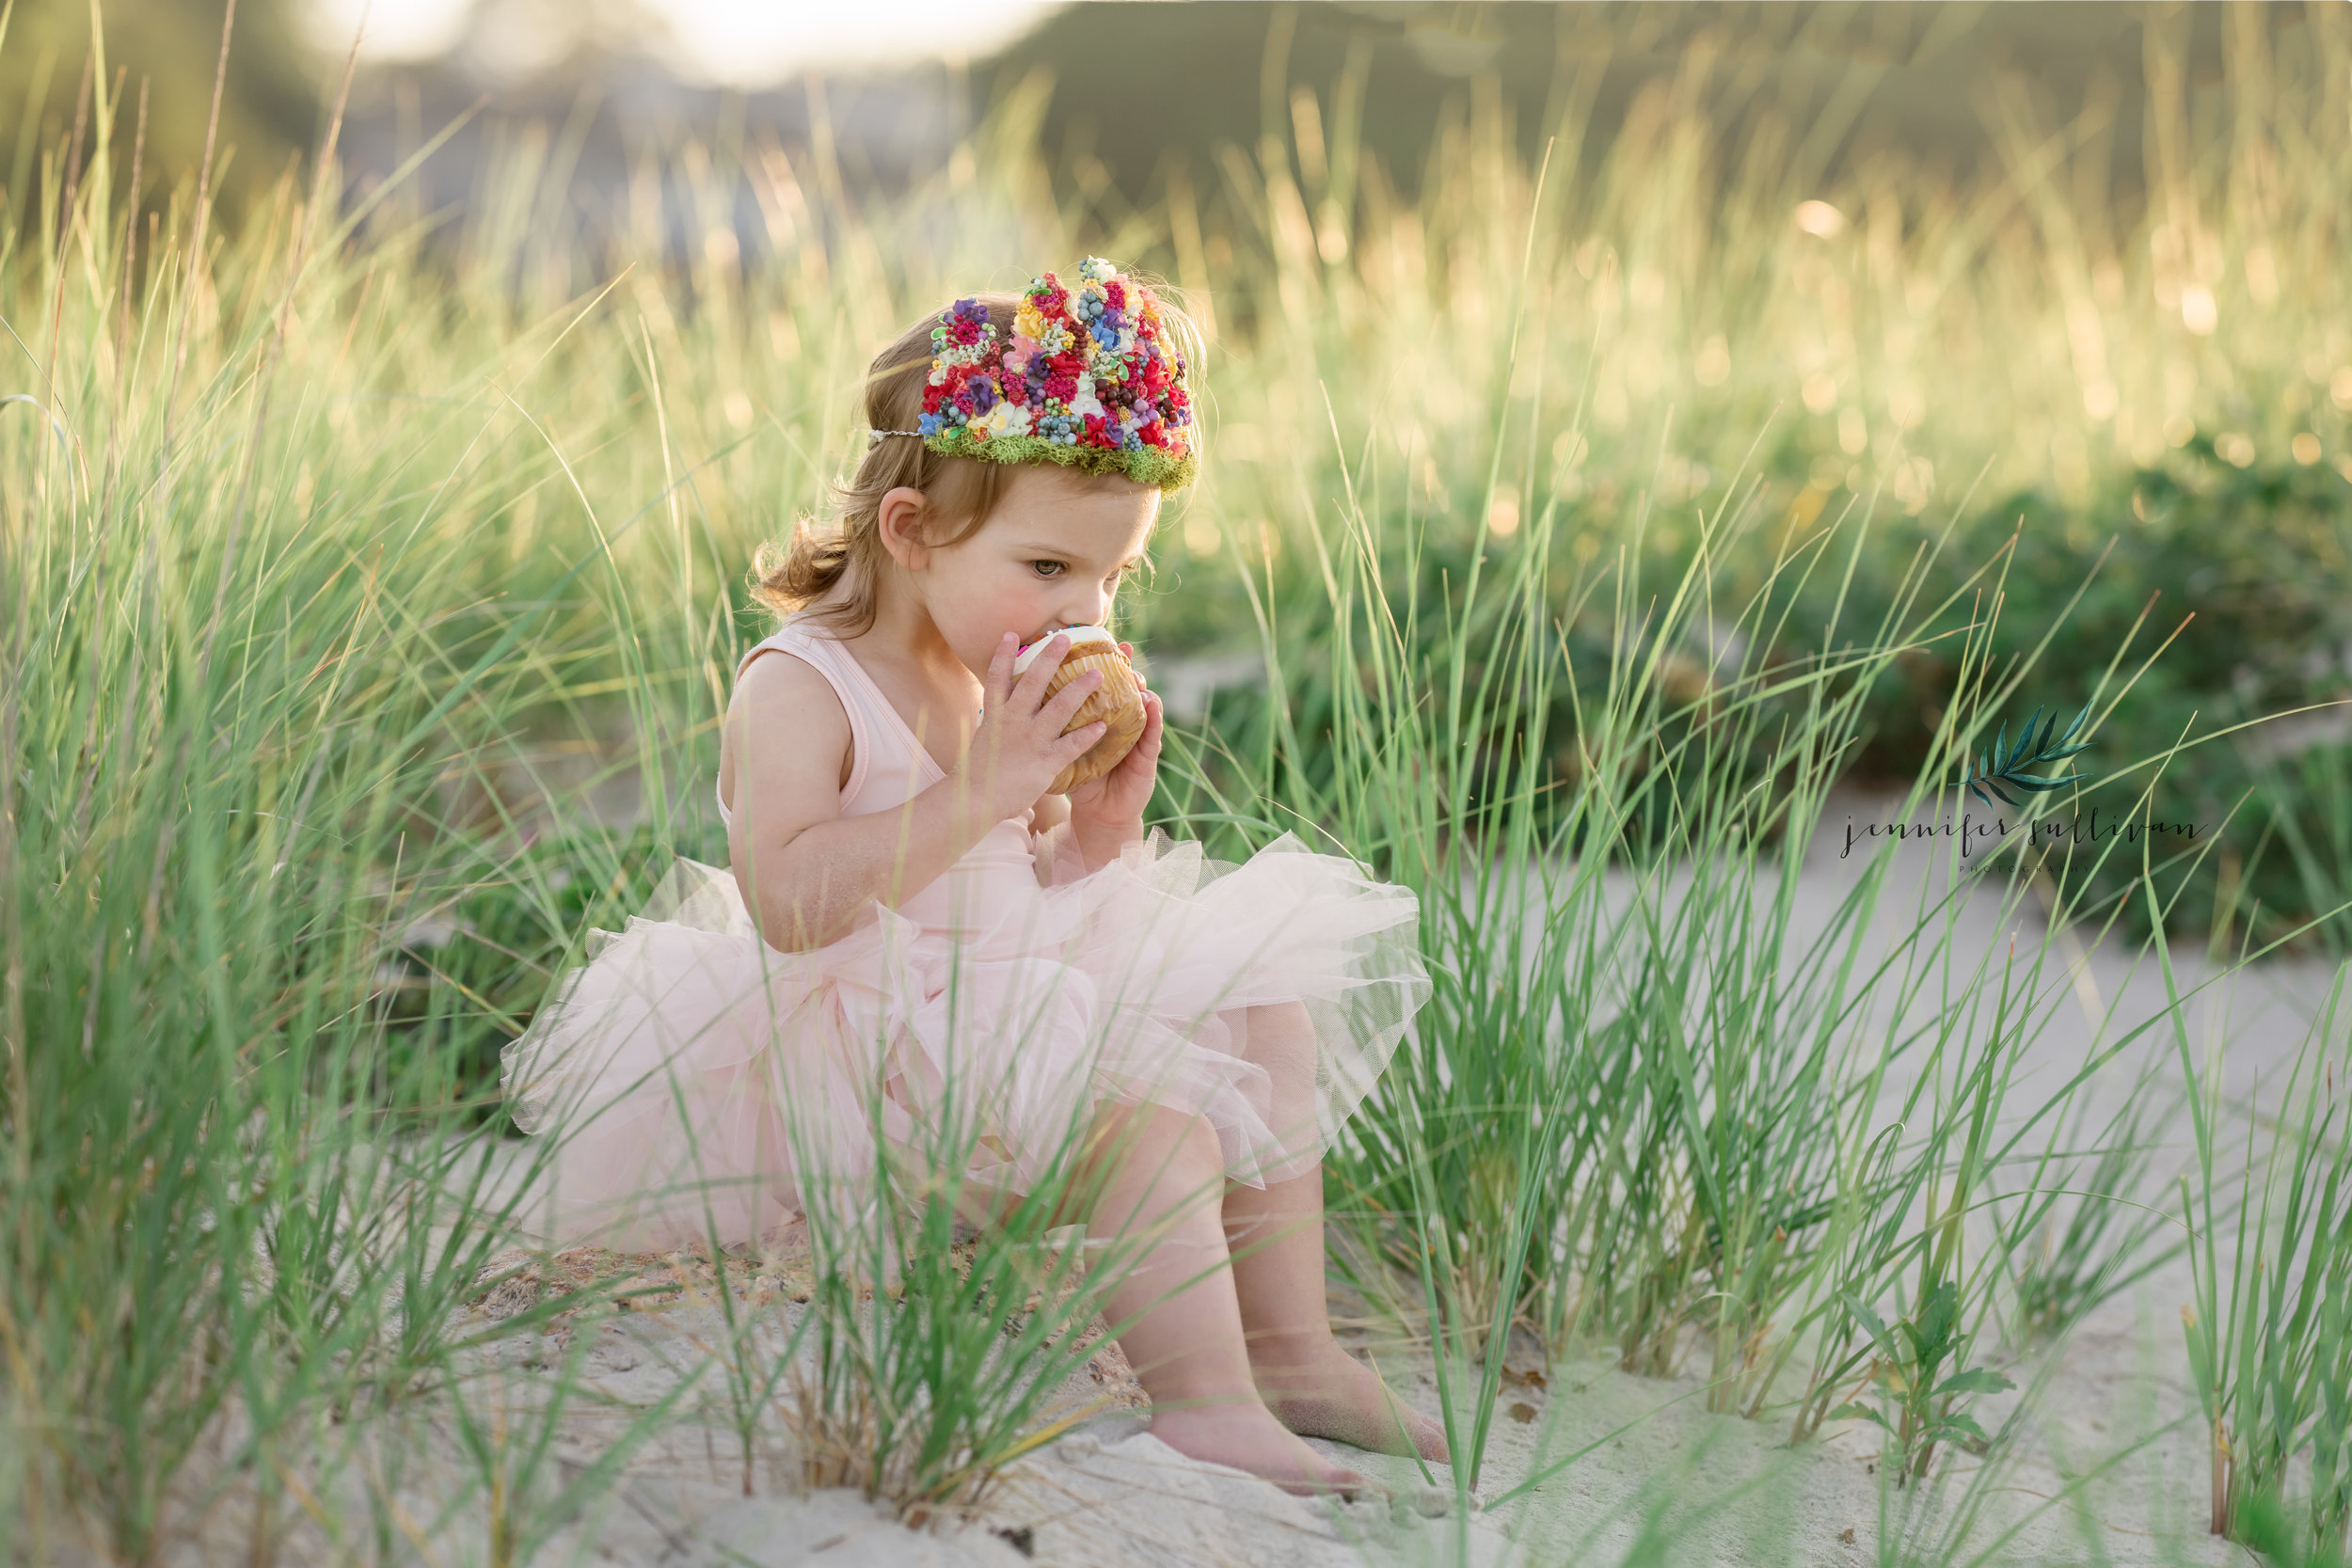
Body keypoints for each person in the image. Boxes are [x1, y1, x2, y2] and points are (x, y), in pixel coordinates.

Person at [501, 258, 1446, 1494]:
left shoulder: (981, 668)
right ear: (910, 533)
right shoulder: (803, 685)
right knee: (1153, 1131)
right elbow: (791, 907)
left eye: (1114, 576)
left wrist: (1091, 837)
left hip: (996, 1030)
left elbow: (1013, 889)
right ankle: (1204, 1408)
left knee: (1265, 1002)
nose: (1089, 607)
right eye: (1052, 569)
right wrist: (984, 786)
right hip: (860, 1094)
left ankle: (1294, 1351)